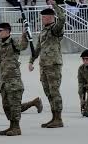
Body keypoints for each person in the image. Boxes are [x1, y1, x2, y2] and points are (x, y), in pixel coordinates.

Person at [28, 0, 66, 128]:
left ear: (50, 17)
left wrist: (54, 5)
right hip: (43, 65)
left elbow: (62, 18)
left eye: (44, 17)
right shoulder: (43, 31)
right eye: (42, 17)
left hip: (53, 64)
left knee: (54, 91)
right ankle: (54, 117)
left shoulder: (55, 29)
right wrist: (31, 61)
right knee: (48, 91)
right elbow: (37, 48)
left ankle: (58, 118)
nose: (42, 19)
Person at [0, 23, 28, 136]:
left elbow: (23, 46)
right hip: (3, 81)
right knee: (6, 105)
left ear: (7, 31)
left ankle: (16, 127)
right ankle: (11, 126)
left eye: (0, 30)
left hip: (13, 81)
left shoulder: (13, 42)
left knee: (14, 105)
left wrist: (24, 35)